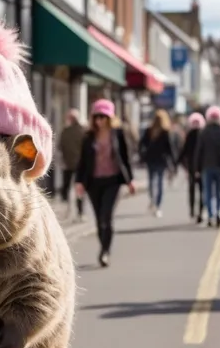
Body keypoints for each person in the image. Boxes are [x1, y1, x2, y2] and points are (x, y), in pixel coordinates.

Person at [75, 99, 135, 268]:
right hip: (93, 182)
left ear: (110, 117)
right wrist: (79, 182)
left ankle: (105, 252)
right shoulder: (88, 136)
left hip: (113, 181)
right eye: (96, 117)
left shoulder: (118, 134)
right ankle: (103, 246)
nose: (99, 121)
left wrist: (130, 181)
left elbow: (125, 158)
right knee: (98, 219)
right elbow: (83, 162)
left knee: (106, 217)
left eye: (103, 117)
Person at [139, 109, 176, 218]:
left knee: (152, 181)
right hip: (160, 160)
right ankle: (157, 205)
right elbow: (170, 149)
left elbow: (142, 144)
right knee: (159, 182)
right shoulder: (164, 132)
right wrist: (173, 163)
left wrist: (142, 155)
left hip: (151, 159)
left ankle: (153, 201)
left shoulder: (150, 130)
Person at [195, 105, 220, 228]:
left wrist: (197, 168)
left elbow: (199, 151)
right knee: (219, 192)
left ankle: (211, 215)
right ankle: (219, 213)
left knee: (208, 192)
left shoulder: (204, 132)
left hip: (207, 166)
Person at [178, 112, 205, 223]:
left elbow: (184, 151)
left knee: (192, 189)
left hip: (191, 167)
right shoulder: (203, 134)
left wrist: (180, 163)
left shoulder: (189, 135)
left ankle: (192, 210)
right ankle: (201, 211)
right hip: (202, 166)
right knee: (202, 190)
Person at [59, 109, 85, 221]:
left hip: (70, 164)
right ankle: (78, 212)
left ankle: (72, 211)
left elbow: (60, 146)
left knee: (69, 188)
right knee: (77, 189)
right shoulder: (82, 131)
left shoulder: (66, 131)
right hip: (77, 165)